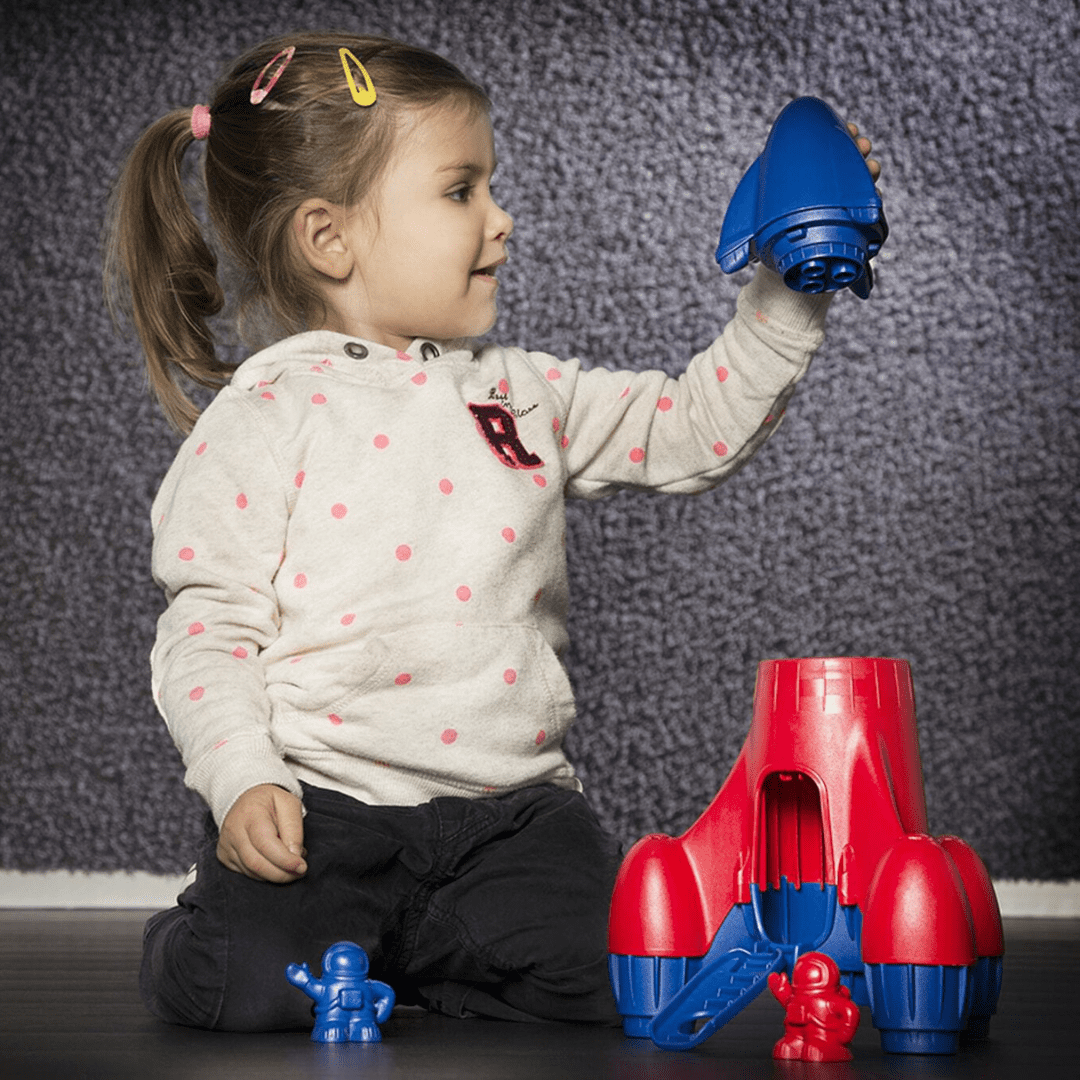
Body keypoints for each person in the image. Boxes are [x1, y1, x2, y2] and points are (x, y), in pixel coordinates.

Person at [104, 31, 879, 1032]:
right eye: (461, 190)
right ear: (329, 238)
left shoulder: (521, 393)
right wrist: (242, 776)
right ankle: (228, 934)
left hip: (515, 817)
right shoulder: (262, 417)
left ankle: (414, 957)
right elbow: (207, 631)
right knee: (237, 987)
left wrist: (790, 289)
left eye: (490, 186)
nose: (502, 219)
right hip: (328, 807)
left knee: (626, 980)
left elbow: (690, 428)